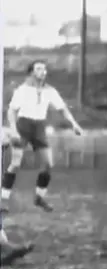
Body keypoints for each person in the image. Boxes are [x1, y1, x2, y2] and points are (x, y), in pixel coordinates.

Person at [2, 61, 83, 213]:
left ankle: (39, 198)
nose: (43, 71)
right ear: (31, 72)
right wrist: (13, 130)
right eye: (38, 68)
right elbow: (11, 111)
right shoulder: (23, 90)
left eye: (44, 68)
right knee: (16, 163)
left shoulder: (50, 91)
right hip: (23, 125)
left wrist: (74, 124)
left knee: (47, 164)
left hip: (39, 128)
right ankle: (3, 201)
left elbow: (62, 108)